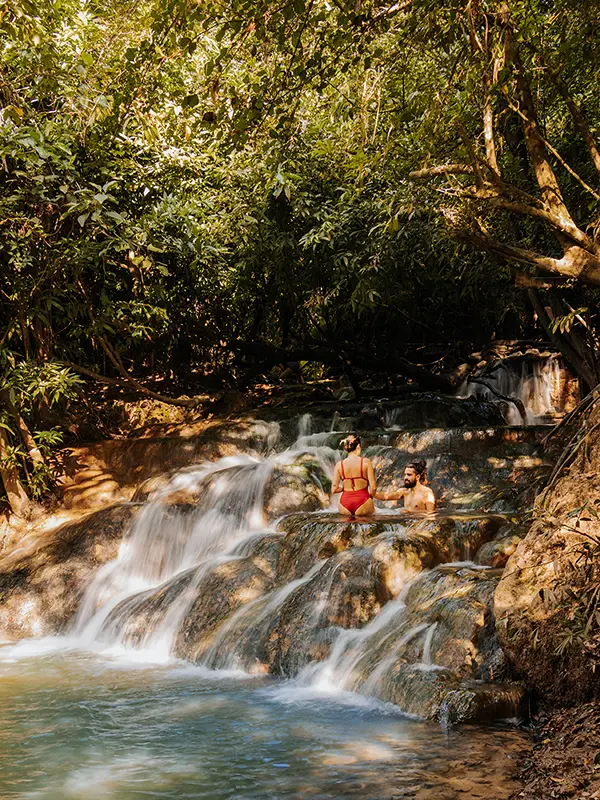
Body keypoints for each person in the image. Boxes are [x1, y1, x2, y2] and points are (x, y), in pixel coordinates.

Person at [331, 434, 376, 518]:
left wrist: (344, 488)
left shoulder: (339, 465)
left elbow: (334, 489)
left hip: (344, 503)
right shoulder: (366, 462)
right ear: (358, 446)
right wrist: (369, 498)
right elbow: (373, 488)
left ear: (346, 448)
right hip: (363, 500)